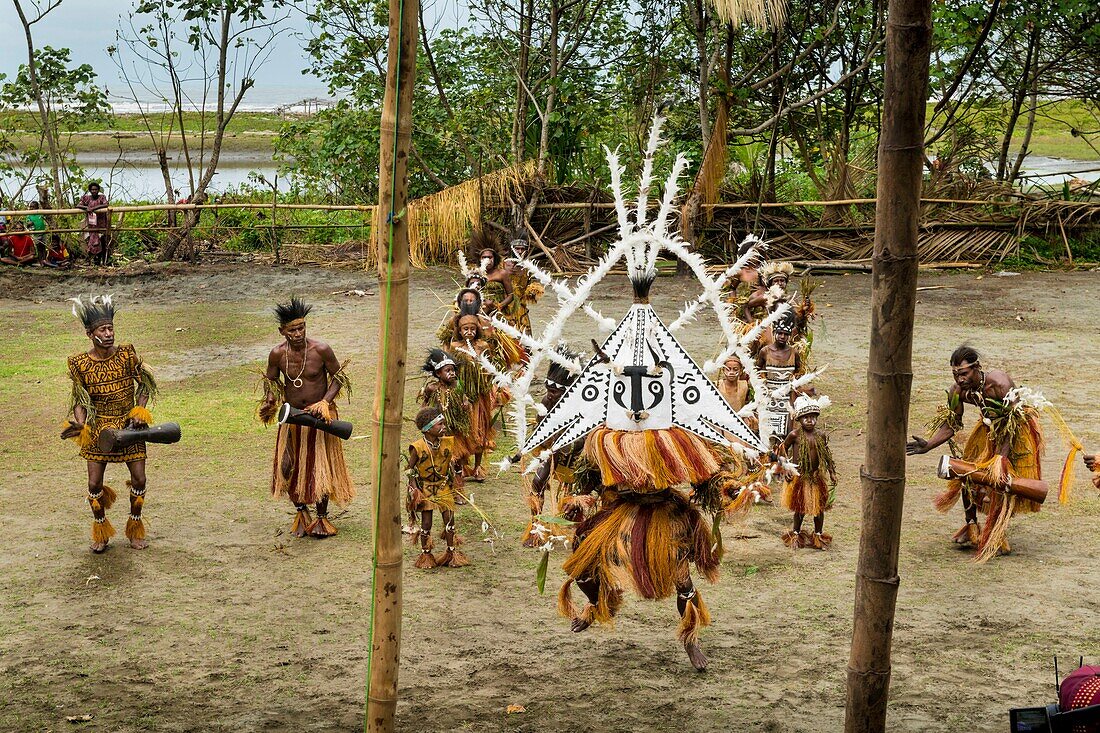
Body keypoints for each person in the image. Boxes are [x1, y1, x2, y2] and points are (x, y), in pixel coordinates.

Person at [907, 346, 1045, 561]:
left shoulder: (998, 382)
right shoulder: (957, 391)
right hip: (988, 431)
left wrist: (1001, 458)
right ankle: (971, 526)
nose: (959, 379)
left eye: (964, 374)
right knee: (967, 474)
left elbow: (1013, 420)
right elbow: (952, 424)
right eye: (955, 374)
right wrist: (928, 445)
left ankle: (997, 532)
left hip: (1015, 432)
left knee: (1000, 482)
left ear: (977, 368)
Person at [61, 295, 158, 552]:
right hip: (99, 428)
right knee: (94, 484)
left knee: (139, 479)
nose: (108, 333)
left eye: (111, 328)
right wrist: (81, 425)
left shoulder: (127, 354)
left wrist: (139, 411)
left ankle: (135, 527)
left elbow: (145, 384)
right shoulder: (79, 363)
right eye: (102, 330)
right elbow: (80, 399)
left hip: (129, 428)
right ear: (89, 334)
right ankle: (100, 529)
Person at [259, 297, 355, 537]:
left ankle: (322, 520)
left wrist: (325, 402)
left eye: (301, 328)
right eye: (293, 330)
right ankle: (302, 513)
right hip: (291, 417)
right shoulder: (277, 354)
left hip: (319, 417)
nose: (298, 333)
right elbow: (270, 381)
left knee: (318, 467)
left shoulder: (320, 350)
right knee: (287, 466)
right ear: (282, 331)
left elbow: (339, 377)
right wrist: (270, 400)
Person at [521, 350, 597, 548]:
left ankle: (586, 530)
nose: (549, 395)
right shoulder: (547, 403)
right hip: (555, 455)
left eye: (554, 392)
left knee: (585, 493)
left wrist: (570, 444)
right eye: (548, 389)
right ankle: (535, 529)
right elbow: (540, 429)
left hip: (585, 461)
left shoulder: (587, 407)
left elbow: (591, 437)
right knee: (537, 483)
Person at [406, 406, 469, 568]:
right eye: (439, 425)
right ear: (427, 429)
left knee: (449, 520)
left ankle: (451, 553)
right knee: (426, 523)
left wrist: (456, 480)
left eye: (443, 424)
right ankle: (426, 555)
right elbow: (410, 469)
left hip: (443, 487)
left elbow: (453, 463)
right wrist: (414, 489)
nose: (443, 427)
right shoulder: (418, 447)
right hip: (426, 488)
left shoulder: (447, 443)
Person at [778, 395, 837, 550]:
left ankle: (818, 536)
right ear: (799, 419)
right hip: (800, 477)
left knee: (818, 509)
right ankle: (796, 534)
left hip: (815, 477)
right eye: (806, 418)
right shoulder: (794, 435)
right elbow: (782, 450)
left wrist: (832, 472)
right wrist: (787, 468)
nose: (810, 421)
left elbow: (826, 456)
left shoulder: (820, 436)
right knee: (800, 508)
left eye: (812, 418)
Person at [755, 313, 806, 445]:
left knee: (786, 431)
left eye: (786, 334)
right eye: (780, 333)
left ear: (789, 336)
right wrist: (761, 388)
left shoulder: (794, 353)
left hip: (787, 398)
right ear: (775, 333)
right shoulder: (765, 351)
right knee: (768, 431)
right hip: (769, 396)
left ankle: (781, 456)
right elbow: (756, 371)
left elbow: (799, 371)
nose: (782, 336)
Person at [500, 237, 544, 335]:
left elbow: (532, 286)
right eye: (517, 248)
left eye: (522, 249)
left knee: (526, 338)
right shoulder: (501, 265)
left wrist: (533, 291)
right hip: (504, 306)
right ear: (511, 249)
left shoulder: (528, 268)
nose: (520, 251)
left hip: (520, 307)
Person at [77, 183, 110, 265]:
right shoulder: (86, 198)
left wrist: (95, 208)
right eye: (92, 189)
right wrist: (87, 208)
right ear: (90, 190)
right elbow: (78, 205)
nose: (94, 191)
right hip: (92, 224)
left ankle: (102, 260)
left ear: (98, 190)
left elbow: (106, 204)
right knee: (92, 241)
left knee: (102, 241)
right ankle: (93, 260)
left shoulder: (102, 197)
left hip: (101, 223)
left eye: (95, 189)